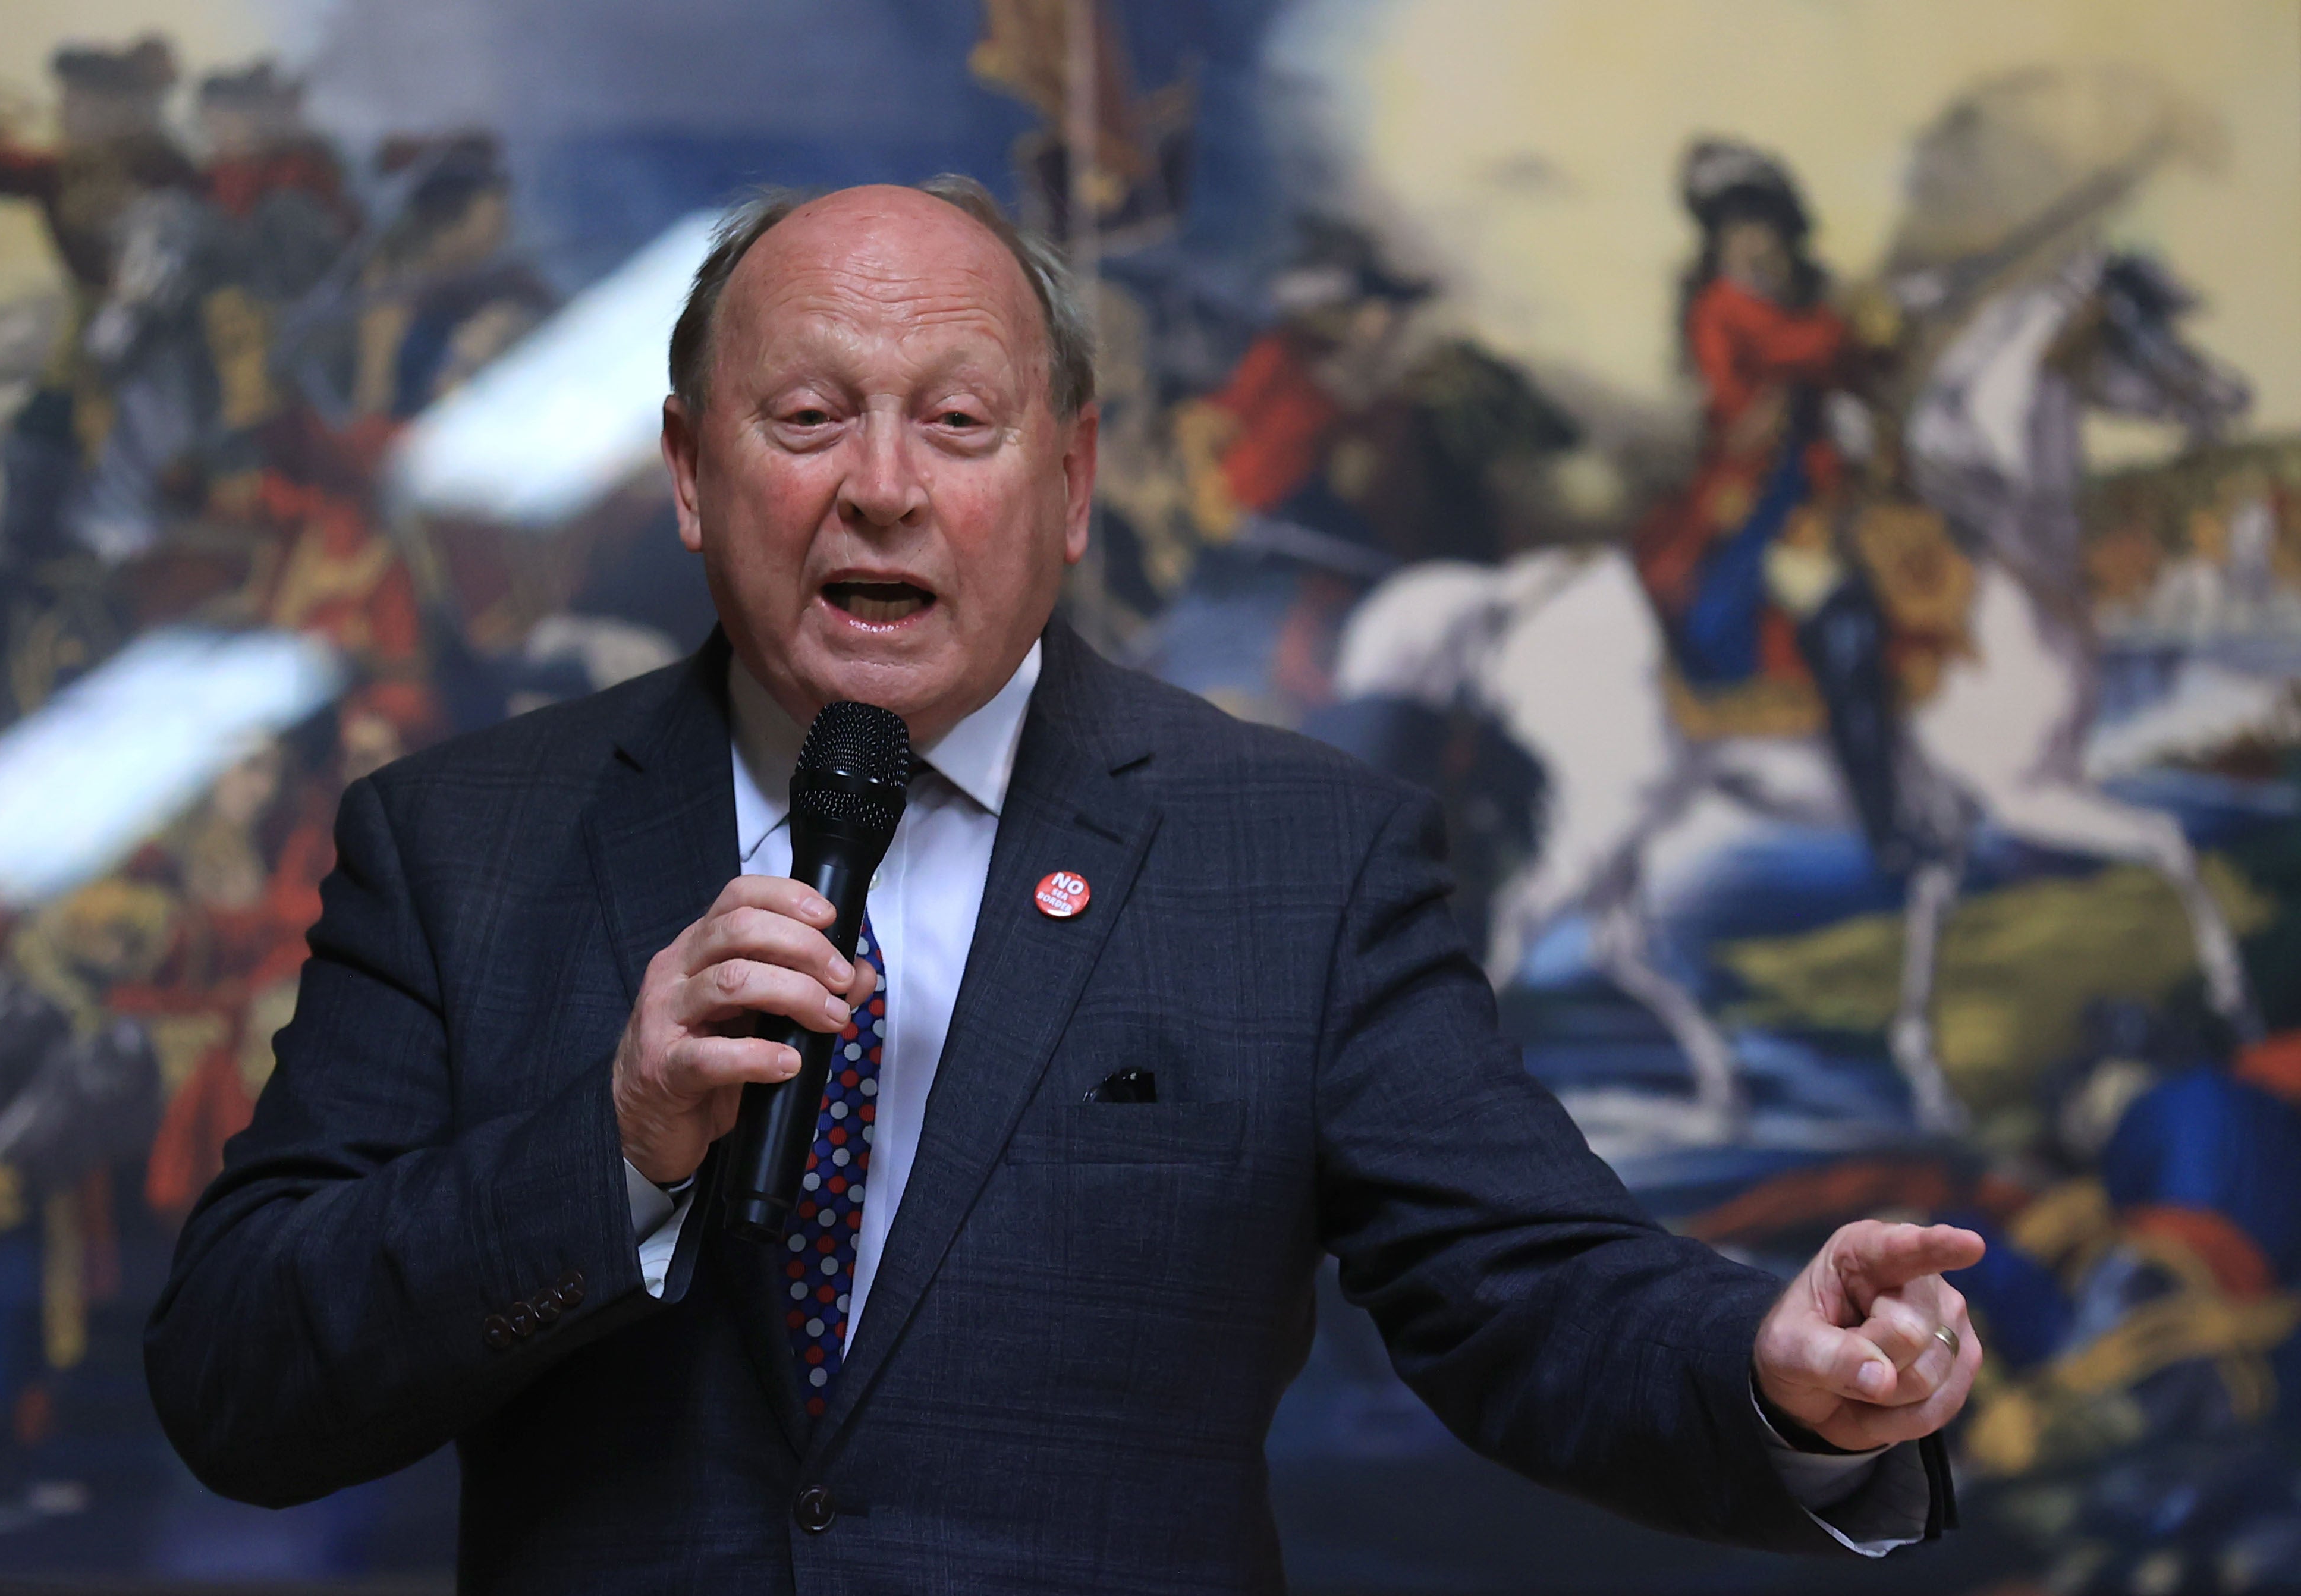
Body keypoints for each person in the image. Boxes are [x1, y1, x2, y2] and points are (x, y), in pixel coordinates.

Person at [146, 179, 1983, 1591]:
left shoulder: (1294, 854)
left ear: (1075, 477)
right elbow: (239, 1379)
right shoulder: (461, 840)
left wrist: (1766, 1363)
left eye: (958, 423)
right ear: (692, 475)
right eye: (808, 418)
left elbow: (1530, 1287)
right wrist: (613, 1144)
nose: (881, 489)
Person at [1634, 140, 1915, 872]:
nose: (1752, 244)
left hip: (1834, 490)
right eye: (1735, 230)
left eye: (1762, 226)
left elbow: (1863, 370)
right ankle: (1885, 823)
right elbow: (1785, 369)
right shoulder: (1724, 310)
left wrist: (1883, 334)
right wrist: (1852, 328)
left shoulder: (1811, 310)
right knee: (1846, 622)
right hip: (1759, 508)